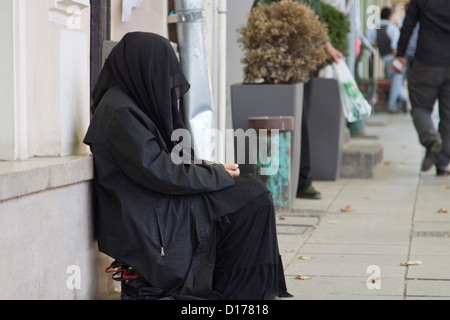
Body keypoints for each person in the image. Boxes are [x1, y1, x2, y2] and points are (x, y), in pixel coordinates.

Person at [83, 32, 290, 300]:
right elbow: (159, 171)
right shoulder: (120, 111)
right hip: (147, 211)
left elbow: (169, 158)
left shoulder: (131, 101)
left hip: (156, 199)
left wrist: (213, 169)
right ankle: (240, 292)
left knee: (250, 189)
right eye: (163, 72)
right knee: (251, 198)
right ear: (145, 68)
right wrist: (215, 173)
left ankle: (244, 289)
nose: (169, 81)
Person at [252, 0, 343, 200]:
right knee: (278, 117)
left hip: (303, 61)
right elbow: (257, 16)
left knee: (300, 118)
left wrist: (328, 48)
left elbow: (316, 23)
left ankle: (302, 180)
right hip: (277, 60)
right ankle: (272, 181)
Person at [393, 0, 450, 176]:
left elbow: (408, 24)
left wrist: (401, 54)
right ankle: (442, 161)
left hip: (427, 59)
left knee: (419, 106)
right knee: (448, 114)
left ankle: (432, 141)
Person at [367, 7, 408, 113]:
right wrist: (397, 61)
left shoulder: (375, 28)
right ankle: (395, 104)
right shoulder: (392, 28)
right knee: (397, 82)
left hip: (384, 58)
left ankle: (401, 102)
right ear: (389, 16)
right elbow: (395, 48)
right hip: (394, 59)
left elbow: (369, 42)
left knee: (395, 82)